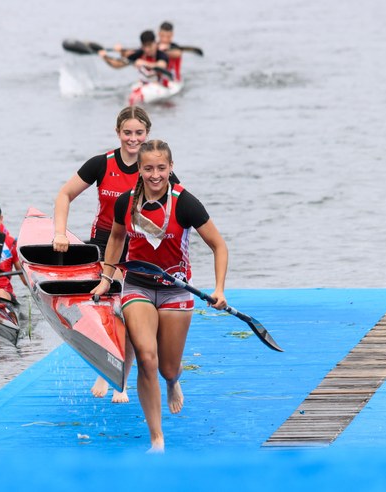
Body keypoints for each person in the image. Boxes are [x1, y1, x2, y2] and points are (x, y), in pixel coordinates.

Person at [91, 139, 229, 453]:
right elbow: (115, 238)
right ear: (138, 170)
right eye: (148, 168)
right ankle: (157, 438)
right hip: (137, 286)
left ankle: (172, 382)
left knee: (167, 367)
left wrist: (219, 288)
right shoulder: (125, 202)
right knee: (146, 358)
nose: (155, 175)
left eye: (161, 168)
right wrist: (106, 277)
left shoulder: (185, 203)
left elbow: (219, 246)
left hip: (175, 290)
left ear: (171, 168)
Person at [53, 106, 160, 404]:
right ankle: (105, 367)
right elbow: (64, 195)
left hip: (139, 245)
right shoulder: (102, 164)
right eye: (128, 132)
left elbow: (178, 204)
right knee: (104, 306)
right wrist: (60, 233)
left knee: (126, 310)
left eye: (139, 133)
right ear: (118, 133)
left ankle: (121, 378)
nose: (133, 138)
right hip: (104, 241)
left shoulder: (154, 167)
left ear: (147, 134)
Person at [99, 30, 170, 85]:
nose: (147, 49)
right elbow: (118, 64)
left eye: (149, 46)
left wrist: (144, 63)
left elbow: (162, 65)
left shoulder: (161, 54)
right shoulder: (139, 53)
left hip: (161, 85)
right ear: (142, 45)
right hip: (145, 86)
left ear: (155, 43)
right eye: (145, 46)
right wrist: (105, 57)